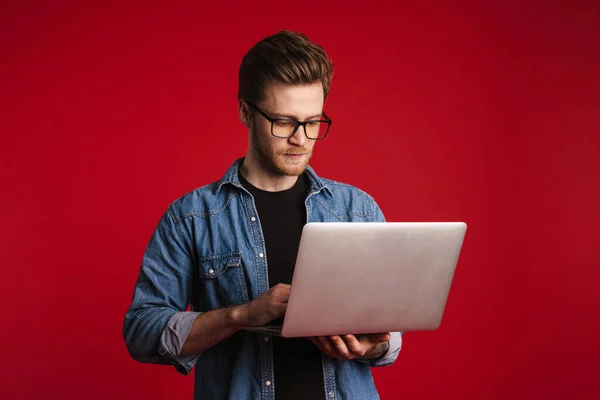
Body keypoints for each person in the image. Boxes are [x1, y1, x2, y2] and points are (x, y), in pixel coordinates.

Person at [122, 30, 402, 400]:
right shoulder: (190, 217)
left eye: (313, 121)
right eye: (284, 122)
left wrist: (373, 347)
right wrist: (240, 315)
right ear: (245, 112)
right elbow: (142, 332)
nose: (301, 139)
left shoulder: (358, 210)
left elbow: (390, 336)